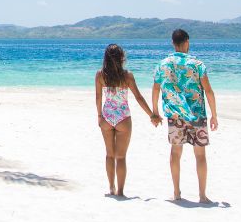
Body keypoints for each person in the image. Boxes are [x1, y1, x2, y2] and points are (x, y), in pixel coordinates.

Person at [151, 28, 219, 203]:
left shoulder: (163, 64)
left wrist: (155, 112)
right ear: (187, 42)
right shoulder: (197, 64)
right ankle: (202, 196)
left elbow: (156, 88)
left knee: (175, 153)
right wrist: (214, 115)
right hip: (197, 114)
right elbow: (209, 91)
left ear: (173, 43)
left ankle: (176, 193)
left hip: (174, 115)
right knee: (200, 156)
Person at [94, 43, 161, 197]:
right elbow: (138, 97)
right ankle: (120, 191)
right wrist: (152, 115)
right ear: (121, 58)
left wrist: (99, 116)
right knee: (121, 157)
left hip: (107, 117)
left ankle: (111, 187)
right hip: (123, 118)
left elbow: (98, 97)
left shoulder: (100, 75)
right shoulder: (127, 76)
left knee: (109, 155)